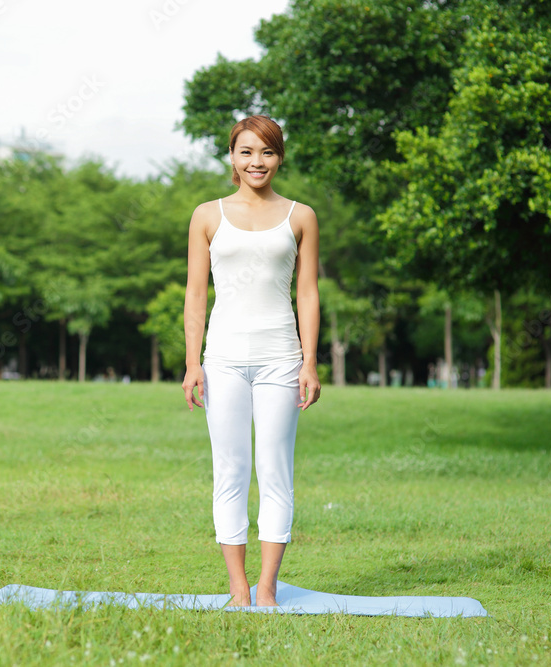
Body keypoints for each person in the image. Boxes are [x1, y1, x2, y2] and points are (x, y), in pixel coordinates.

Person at [181, 115, 322, 607]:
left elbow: (307, 293)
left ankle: (267, 590)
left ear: (280, 157)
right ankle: (238, 589)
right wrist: (192, 362)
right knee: (232, 469)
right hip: (221, 358)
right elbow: (196, 294)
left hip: (281, 357)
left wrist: (309, 362)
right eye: (246, 152)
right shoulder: (207, 215)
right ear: (232, 157)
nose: (256, 162)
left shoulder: (300, 216)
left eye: (266, 152)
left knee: (274, 467)